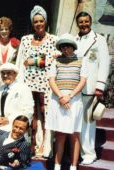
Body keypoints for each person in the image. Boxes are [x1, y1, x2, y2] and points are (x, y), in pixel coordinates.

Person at [15, 5, 59, 158]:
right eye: (36, 22)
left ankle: (45, 148)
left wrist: (33, 60)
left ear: (45, 22)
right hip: (28, 82)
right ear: (32, 24)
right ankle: (29, 146)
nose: (39, 24)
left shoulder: (54, 39)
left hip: (46, 84)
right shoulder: (26, 40)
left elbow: (55, 59)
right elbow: (21, 62)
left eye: (41, 21)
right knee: (30, 115)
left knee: (46, 115)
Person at [45, 34, 87, 170]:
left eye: (68, 46)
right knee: (60, 134)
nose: (65, 49)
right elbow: (52, 80)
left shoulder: (82, 60)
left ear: (73, 47)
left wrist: (69, 95)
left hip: (74, 100)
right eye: (63, 47)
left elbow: (82, 81)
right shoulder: (55, 61)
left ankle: (74, 167)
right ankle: (57, 166)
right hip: (58, 99)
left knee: (74, 134)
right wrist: (61, 97)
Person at [75, 11, 110, 165]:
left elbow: (104, 63)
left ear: (90, 22)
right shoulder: (73, 39)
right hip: (74, 87)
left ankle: (89, 153)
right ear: (78, 23)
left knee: (88, 122)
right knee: (76, 121)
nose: (83, 24)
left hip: (90, 87)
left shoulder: (99, 40)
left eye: (86, 21)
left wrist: (100, 86)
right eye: (81, 22)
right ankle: (77, 150)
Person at [0, 16, 20, 94]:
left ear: (10, 30)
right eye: (1, 29)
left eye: (6, 29)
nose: (4, 31)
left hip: (9, 78)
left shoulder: (15, 44)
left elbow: (18, 63)